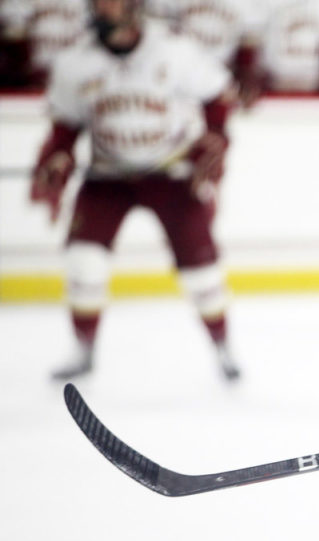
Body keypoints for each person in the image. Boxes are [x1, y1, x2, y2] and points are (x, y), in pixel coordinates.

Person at [30, 0, 242, 380]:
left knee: (202, 271)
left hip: (172, 173)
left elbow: (217, 93)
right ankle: (83, 348)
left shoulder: (173, 50)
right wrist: (58, 156)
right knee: (84, 261)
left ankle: (222, 346)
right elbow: (65, 125)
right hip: (107, 176)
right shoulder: (75, 62)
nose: (101, 9)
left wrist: (216, 137)